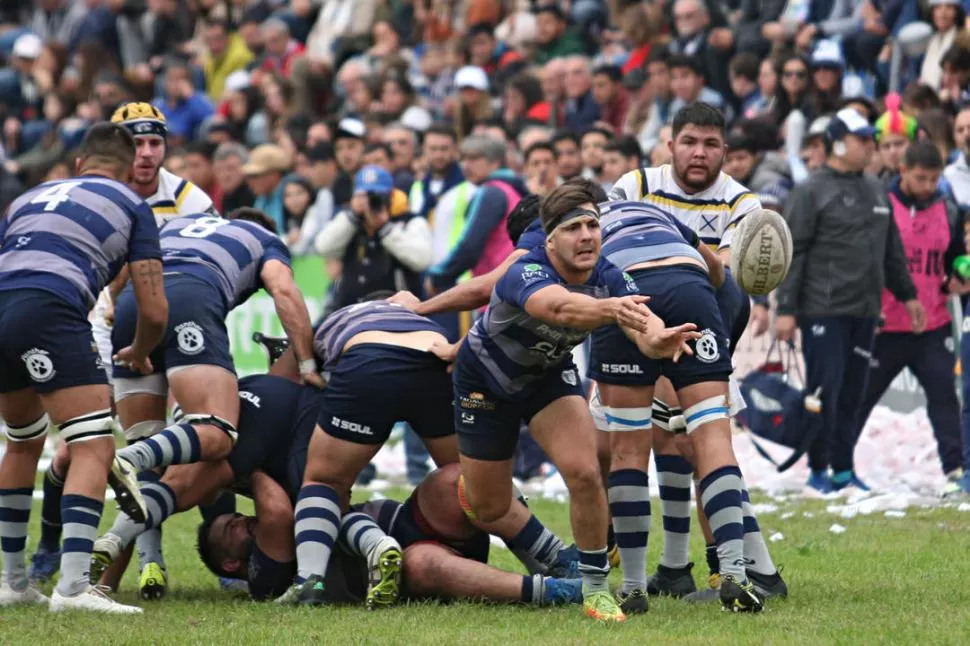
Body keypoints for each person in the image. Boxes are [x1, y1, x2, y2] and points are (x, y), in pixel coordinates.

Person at [439, 180, 701, 623]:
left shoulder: (609, 275)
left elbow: (644, 323)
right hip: (485, 381)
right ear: (550, 239)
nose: (586, 236)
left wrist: (658, 338)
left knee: (584, 473)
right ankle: (514, 518)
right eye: (573, 228)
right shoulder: (526, 271)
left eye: (592, 226)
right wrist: (614, 310)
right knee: (488, 506)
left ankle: (594, 588)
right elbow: (559, 309)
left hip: (547, 377)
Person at [30, 101, 219, 596]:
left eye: (156, 142)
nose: (147, 153)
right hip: (103, 322)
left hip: (169, 323)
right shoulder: (104, 196)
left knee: (197, 432)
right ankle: (49, 544)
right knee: (80, 447)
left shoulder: (191, 199)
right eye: (137, 143)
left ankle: (163, 560)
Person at [93, 207, 320, 592]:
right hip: (191, 297)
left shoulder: (179, 223)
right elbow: (284, 291)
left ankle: (106, 582)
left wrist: (119, 306)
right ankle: (128, 459)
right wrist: (307, 362)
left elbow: (127, 264)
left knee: (151, 465)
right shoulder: (264, 241)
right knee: (217, 432)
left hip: (137, 303)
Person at [0, 123, 168, 613]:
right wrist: (139, 350)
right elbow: (154, 310)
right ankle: (73, 588)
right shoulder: (133, 204)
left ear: (79, 165)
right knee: (92, 443)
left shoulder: (29, 196)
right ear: (128, 172)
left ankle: (12, 582)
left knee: (22, 440)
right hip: (50, 306)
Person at [607, 102, 760, 601]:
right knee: (650, 440)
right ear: (670, 145)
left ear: (725, 151)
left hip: (708, 318)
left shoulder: (743, 203)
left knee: (696, 443)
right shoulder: (636, 184)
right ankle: (676, 567)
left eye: (711, 144)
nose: (699, 153)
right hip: (637, 316)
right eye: (690, 142)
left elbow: (726, 280)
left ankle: (736, 568)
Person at [775, 108, 925, 494]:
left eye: (871, 139)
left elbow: (892, 251)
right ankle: (818, 469)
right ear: (838, 144)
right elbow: (794, 253)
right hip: (822, 310)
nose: (871, 146)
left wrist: (909, 296)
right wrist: (786, 310)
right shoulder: (810, 190)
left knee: (853, 395)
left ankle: (843, 469)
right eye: (862, 140)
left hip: (865, 311)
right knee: (823, 392)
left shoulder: (875, 188)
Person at [852, 142, 970, 496]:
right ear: (903, 170)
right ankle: (836, 465)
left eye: (934, 179)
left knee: (944, 397)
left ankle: (956, 470)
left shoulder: (948, 209)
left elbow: (955, 256)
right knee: (860, 398)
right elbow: (863, 259)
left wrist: (959, 272)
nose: (928, 186)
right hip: (886, 325)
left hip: (932, 325)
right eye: (921, 178)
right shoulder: (881, 205)